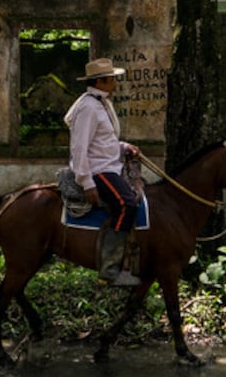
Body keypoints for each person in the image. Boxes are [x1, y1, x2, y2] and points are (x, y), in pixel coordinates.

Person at [65, 56, 141, 286]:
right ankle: (109, 270)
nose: (116, 83)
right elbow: (79, 148)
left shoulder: (100, 104)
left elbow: (103, 142)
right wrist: (86, 182)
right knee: (127, 204)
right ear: (102, 81)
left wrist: (124, 147)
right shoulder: (89, 107)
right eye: (113, 79)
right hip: (99, 171)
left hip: (109, 166)